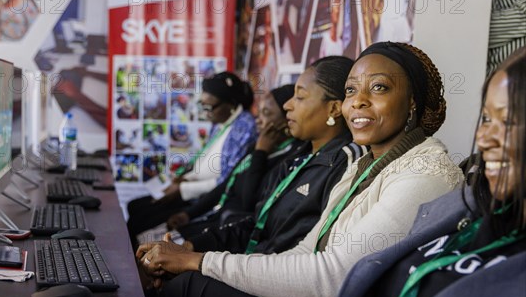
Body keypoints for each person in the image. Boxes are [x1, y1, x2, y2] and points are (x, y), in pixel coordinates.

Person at [137, 43, 463, 297]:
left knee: (189, 290)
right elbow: (305, 253)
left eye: (379, 87)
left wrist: (198, 262)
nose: (359, 101)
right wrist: (195, 261)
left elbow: (330, 278)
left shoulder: (425, 173)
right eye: (352, 89)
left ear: (413, 100)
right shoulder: (364, 164)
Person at [281, 46, 526, 297]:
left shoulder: (430, 176)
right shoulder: (465, 211)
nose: (484, 138)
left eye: (510, 121)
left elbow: (330, 276)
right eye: (486, 119)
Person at [176, 57, 365, 255]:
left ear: (334, 109)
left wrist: (204, 262)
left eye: (299, 97)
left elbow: (300, 259)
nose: (288, 106)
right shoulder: (299, 157)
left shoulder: (347, 164)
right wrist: (194, 246)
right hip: (248, 261)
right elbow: (258, 225)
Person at [127, 72, 257, 249]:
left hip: (206, 201)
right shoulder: (223, 120)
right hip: (192, 190)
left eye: (209, 107)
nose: (205, 112)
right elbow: (204, 160)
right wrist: (183, 178)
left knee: (139, 222)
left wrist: (182, 189)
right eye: (202, 105)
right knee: (135, 207)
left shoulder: (245, 128)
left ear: (231, 104)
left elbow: (226, 181)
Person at [166, 84, 300, 240]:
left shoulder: (286, 157)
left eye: (266, 113)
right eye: (259, 112)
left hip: (234, 232)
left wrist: (260, 153)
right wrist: (188, 214)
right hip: (217, 218)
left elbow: (248, 201)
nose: (258, 120)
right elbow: (228, 183)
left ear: (287, 120)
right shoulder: (258, 146)